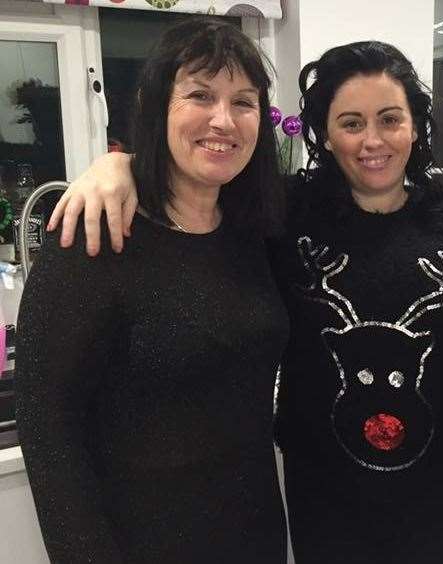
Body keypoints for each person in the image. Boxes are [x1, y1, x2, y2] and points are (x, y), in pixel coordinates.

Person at [46, 42, 443, 563]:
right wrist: (118, 166)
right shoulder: (281, 213)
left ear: (416, 126)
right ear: (324, 134)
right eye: (350, 123)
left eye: (390, 119)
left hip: (431, 489)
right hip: (319, 491)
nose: (372, 140)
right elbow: (199, 186)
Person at [15, 17, 288, 564]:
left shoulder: (255, 232)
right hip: (139, 540)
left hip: (253, 534)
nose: (223, 119)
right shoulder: (92, 236)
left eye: (244, 101)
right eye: (200, 95)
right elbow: (48, 429)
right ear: (156, 106)